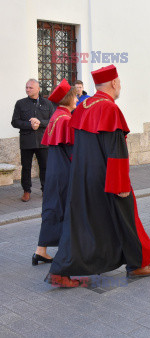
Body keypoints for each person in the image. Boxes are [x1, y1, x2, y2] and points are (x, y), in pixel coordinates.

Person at [46, 65, 150, 287]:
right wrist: (121, 183)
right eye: (120, 83)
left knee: (80, 224)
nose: (120, 87)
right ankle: (136, 264)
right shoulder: (109, 108)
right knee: (127, 219)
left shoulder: (83, 105)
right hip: (107, 178)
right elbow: (116, 150)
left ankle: (60, 271)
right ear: (114, 83)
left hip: (83, 177)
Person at [33, 79, 76, 266]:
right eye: (75, 96)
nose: (77, 99)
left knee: (51, 208)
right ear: (68, 98)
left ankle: (40, 251)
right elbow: (73, 150)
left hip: (54, 170)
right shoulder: (66, 119)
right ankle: (68, 251)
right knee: (65, 210)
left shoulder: (56, 116)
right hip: (65, 171)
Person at [11, 79, 55, 202]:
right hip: (27, 140)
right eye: (26, 87)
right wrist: (29, 125)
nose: (27, 90)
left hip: (43, 140)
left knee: (45, 167)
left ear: (38, 89)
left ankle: (45, 190)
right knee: (26, 167)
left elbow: (52, 121)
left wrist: (40, 123)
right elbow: (15, 122)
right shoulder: (20, 103)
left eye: (30, 87)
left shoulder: (47, 103)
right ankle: (26, 191)